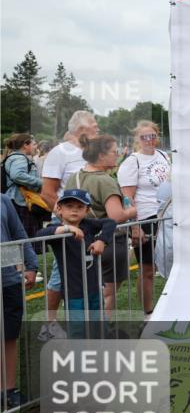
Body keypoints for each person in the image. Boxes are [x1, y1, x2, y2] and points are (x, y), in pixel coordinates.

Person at [38, 110, 99, 341]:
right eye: (95, 125)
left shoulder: (89, 154)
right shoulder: (59, 153)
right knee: (59, 275)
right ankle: (49, 324)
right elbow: (48, 192)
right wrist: (67, 221)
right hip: (67, 226)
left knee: (83, 272)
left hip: (86, 224)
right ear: (81, 130)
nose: (98, 129)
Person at [67, 134, 137, 316]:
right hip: (109, 242)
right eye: (114, 152)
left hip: (82, 241)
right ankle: (101, 334)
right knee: (108, 294)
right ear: (101, 156)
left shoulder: (74, 177)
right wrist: (132, 211)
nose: (118, 154)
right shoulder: (105, 181)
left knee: (87, 294)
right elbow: (116, 216)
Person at [36, 189, 116, 338]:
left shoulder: (88, 225)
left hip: (94, 289)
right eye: (69, 206)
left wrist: (102, 240)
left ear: (87, 210)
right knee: (78, 329)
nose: (74, 210)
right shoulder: (55, 230)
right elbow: (40, 234)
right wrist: (67, 228)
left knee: (98, 325)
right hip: (74, 292)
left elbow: (110, 222)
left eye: (80, 207)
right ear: (59, 209)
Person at [117, 121, 171, 318]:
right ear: (137, 140)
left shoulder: (164, 155)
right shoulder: (133, 161)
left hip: (167, 217)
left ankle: (171, 306)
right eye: (144, 137)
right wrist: (135, 227)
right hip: (146, 218)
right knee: (148, 269)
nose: (149, 140)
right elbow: (127, 198)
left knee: (171, 264)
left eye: (153, 136)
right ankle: (148, 312)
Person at [1, 194, 38, 409]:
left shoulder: (3, 201)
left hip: (7, 280)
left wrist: (31, 264)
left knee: (9, 335)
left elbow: (18, 233)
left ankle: (7, 390)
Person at [3, 134, 45, 241]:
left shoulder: (16, 157)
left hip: (19, 200)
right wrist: (41, 182)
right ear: (25, 145)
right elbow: (17, 175)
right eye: (33, 144)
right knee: (24, 239)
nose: (36, 147)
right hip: (20, 201)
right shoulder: (19, 158)